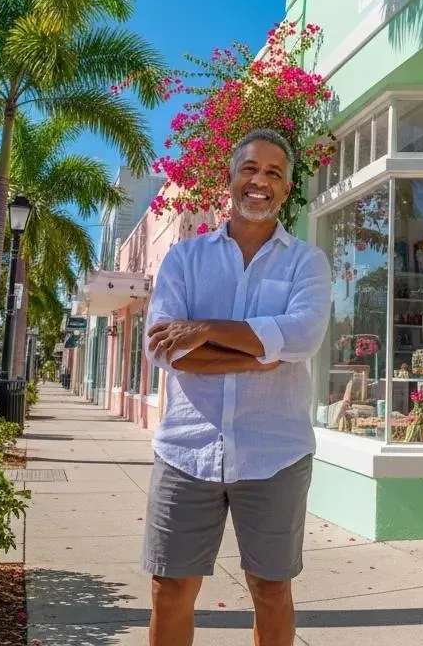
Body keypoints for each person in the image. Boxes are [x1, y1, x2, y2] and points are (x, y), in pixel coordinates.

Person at [142, 129, 332, 646]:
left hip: (275, 452)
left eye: (273, 172)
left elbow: (303, 335)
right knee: (168, 588)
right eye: (250, 168)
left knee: (271, 589)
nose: (260, 181)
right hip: (186, 449)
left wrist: (203, 330)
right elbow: (161, 348)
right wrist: (258, 352)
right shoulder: (184, 259)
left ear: (287, 189)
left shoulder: (305, 263)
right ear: (229, 178)